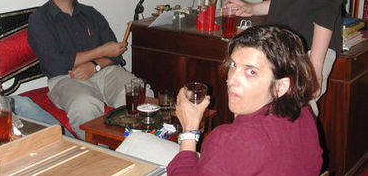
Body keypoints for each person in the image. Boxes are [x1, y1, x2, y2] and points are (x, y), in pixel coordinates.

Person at [118, 25, 323, 175]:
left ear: (281, 86)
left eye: (251, 72)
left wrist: (189, 131)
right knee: (137, 140)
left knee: (130, 155)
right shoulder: (303, 112)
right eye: (233, 65)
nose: (232, 80)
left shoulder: (228, 140)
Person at [27, 0, 149, 139]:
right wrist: (100, 52)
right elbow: (56, 64)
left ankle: (142, 145)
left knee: (139, 92)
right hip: (65, 78)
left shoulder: (91, 13)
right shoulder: (39, 19)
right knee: (85, 104)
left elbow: (114, 54)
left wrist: (94, 65)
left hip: (104, 72)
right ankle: (99, 156)